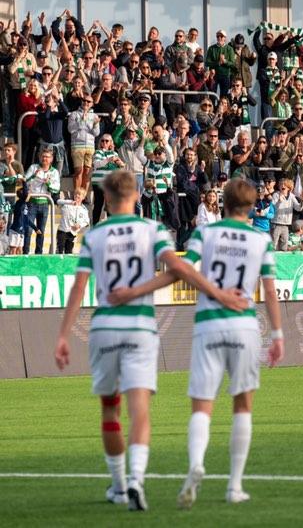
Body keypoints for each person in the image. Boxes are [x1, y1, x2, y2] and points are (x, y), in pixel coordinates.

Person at [54, 170, 246, 512]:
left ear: (106, 199)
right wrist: (217, 292)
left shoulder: (95, 235)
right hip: (140, 328)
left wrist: (63, 335)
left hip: (104, 328)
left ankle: (117, 484)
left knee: (109, 409)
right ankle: (136, 481)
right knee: (139, 409)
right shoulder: (153, 230)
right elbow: (179, 269)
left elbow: (80, 287)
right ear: (138, 195)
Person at [107, 177, 284, 508]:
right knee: (243, 406)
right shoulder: (262, 241)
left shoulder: (206, 233)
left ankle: (196, 465)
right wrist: (277, 335)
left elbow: (179, 272)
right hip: (245, 326)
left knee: (202, 406)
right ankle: (233, 486)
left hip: (209, 325)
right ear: (251, 207)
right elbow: (270, 291)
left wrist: (135, 290)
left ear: (224, 202)